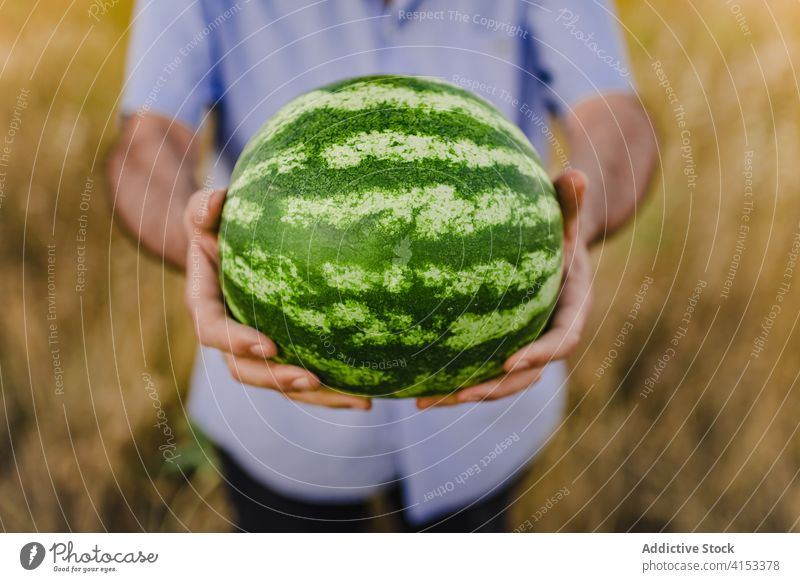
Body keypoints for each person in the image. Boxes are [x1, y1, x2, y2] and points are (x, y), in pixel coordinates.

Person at [109, 0, 656, 532]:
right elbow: (148, 146)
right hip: (284, 408)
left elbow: (615, 123)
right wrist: (199, 243)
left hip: (483, 404)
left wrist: (570, 231)